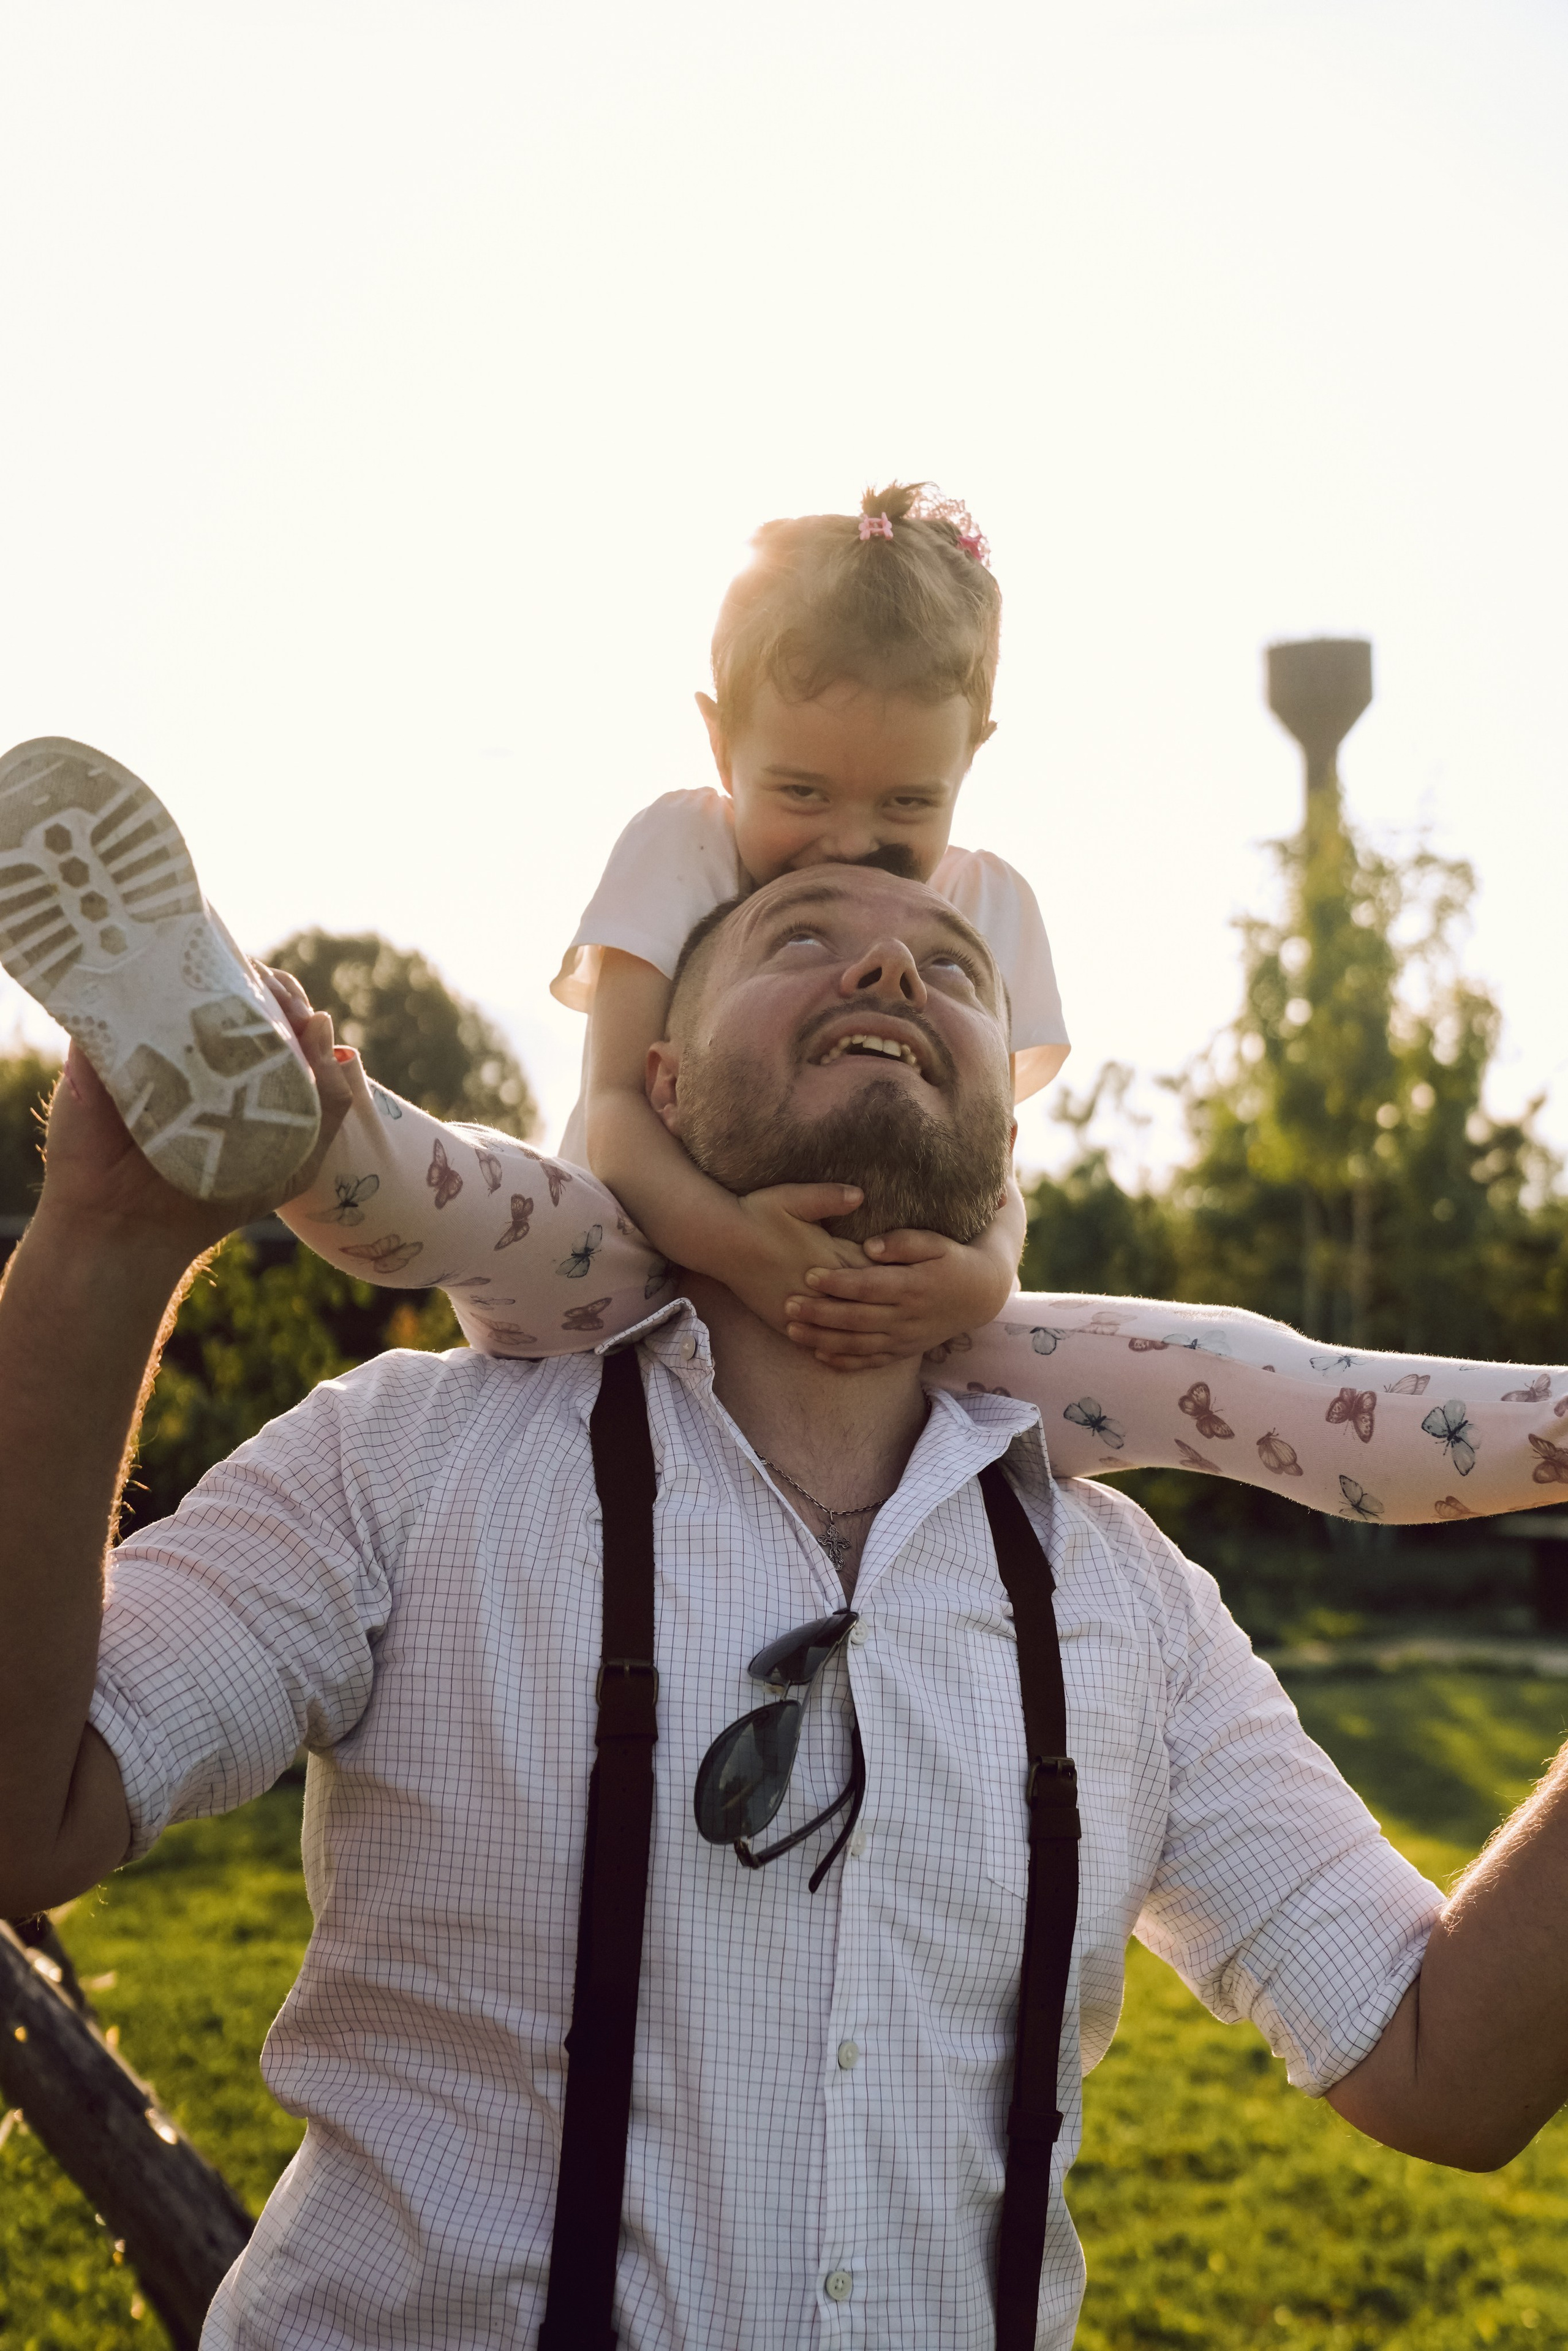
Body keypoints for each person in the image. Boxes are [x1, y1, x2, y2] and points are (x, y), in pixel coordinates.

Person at [4, 860, 1568, 2351]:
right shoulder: (406, 1456)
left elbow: (1445, 2066)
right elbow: (29, 1815)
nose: (889, 965)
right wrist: (103, 1246)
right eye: (801, 935)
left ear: (1002, 1159)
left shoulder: (1128, 1604)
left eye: (953, 970)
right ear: (661, 1088)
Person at [5, 484, 1568, 1528]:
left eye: (903, 810)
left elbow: (987, 1176)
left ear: (974, 762)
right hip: (626, 1264)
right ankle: (271, 1089)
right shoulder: (675, 843)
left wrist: (964, 1290)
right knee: (453, 1190)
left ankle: (1546, 1430)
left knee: (1232, 1376)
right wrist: (739, 1243)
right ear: (716, 738)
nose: (844, 843)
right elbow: (615, 1108)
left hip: (904, 1318)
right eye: (798, 792)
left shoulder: (993, 900)